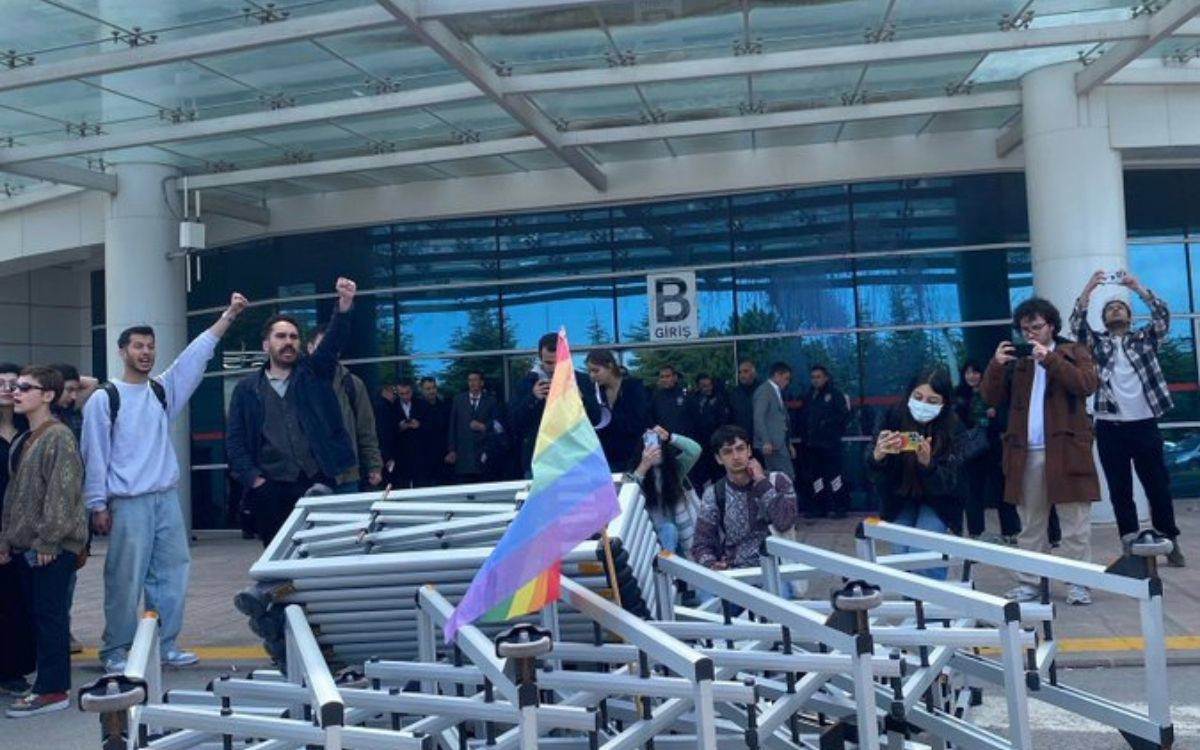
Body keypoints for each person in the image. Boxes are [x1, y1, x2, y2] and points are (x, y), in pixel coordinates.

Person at [82, 293, 250, 672]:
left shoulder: (161, 391)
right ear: (122, 351)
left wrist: (229, 316)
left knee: (172, 575)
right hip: (128, 502)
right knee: (124, 579)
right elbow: (95, 455)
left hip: (165, 499)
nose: (146, 352)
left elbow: (194, 357)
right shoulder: (104, 399)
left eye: (150, 347)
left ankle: (165, 644)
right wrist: (97, 505)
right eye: (138, 346)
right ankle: (116, 650)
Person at [982, 297, 1100, 606]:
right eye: (1025, 329)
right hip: (1026, 453)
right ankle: (1030, 582)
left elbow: (1086, 384)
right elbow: (990, 397)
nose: (1030, 334)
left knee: (1075, 524)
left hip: (1067, 450)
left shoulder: (1073, 351)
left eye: (1036, 327)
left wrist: (1050, 359)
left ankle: (1078, 583)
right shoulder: (1018, 361)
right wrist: (996, 365)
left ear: (1051, 325)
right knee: (1031, 525)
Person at [227, 280, 357, 546]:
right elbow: (235, 441)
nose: (288, 342)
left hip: (315, 481)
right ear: (266, 345)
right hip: (271, 489)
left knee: (321, 552)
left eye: (294, 337)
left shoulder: (314, 373)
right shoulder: (247, 389)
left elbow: (332, 342)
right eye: (281, 336)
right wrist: (255, 480)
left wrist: (344, 305)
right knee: (278, 557)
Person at [1072, 270, 1184, 566]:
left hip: (1145, 424)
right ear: (1104, 319)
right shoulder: (1097, 344)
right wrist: (1089, 289)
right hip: (1110, 427)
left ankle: (1169, 540)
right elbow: (1077, 326)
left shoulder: (1145, 339)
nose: (1115, 310)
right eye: (1110, 308)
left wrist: (1137, 288)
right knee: (1120, 490)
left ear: (1130, 317)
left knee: (1157, 486)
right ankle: (1130, 545)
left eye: (1120, 307)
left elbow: (1162, 316)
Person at [0, 366, 86, 717]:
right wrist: (6, 539)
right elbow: (13, 496)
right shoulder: (25, 438)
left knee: (50, 617)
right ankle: (46, 685)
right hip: (26, 546)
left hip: (51, 548)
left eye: (25, 387)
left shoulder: (59, 436)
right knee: (39, 616)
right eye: (16, 387)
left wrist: (49, 542)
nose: (16, 392)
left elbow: (63, 493)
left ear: (47, 395)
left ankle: (53, 690)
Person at [869, 367, 965, 580]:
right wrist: (877, 457)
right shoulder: (891, 417)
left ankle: (932, 601)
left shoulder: (954, 427)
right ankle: (911, 600)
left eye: (932, 401)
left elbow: (952, 482)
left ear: (944, 402)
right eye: (918, 397)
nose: (923, 405)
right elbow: (873, 472)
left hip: (938, 501)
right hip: (900, 497)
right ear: (909, 394)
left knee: (923, 554)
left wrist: (928, 465)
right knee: (900, 555)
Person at [692, 425, 798, 572]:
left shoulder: (778, 481)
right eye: (728, 452)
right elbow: (701, 542)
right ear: (718, 459)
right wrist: (711, 564)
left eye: (740, 449)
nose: (736, 456)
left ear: (749, 451)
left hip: (779, 569)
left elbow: (785, 522)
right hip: (736, 571)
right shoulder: (714, 493)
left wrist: (761, 481)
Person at [509, 333, 601, 477]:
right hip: (539, 460)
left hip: (575, 458)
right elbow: (514, 423)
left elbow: (596, 419)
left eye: (559, 362)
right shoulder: (526, 383)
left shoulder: (582, 381)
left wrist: (580, 398)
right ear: (540, 359)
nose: (554, 368)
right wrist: (533, 398)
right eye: (549, 363)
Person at [305, 328, 382, 494]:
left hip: (346, 476)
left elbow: (366, 429)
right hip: (307, 477)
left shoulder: (353, 384)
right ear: (310, 348)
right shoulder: (296, 383)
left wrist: (374, 465)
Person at [954, 360, 1020, 544]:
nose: (971, 376)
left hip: (994, 448)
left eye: (975, 372)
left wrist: (994, 415)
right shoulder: (959, 395)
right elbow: (957, 423)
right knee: (973, 492)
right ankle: (976, 532)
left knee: (1002, 490)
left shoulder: (993, 392)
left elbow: (1005, 418)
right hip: (971, 451)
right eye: (968, 373)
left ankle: (1011, 531)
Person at [0, 362, 35, 698]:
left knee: (18, 602)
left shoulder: (30, 430)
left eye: (15, 383)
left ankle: (13, 671)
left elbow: (84, 386)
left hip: (25, 529)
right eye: (1, 383)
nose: (8, 388)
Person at [625, 426, 702, 560]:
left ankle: (672, 565)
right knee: (668, 530)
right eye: (649, 445)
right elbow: (628, 496)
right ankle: (668, 567)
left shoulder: (674, 470)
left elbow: (695, 450)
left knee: (671, 530)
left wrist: (670, 437)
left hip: (682, 532)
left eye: (658, 444)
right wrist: (644, 465)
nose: (655, 449)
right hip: (653, 536)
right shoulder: (635, 474)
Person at [798, 365, 851, 519]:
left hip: (830, 445)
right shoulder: (809, 396)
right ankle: (819, 507)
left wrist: (828, 427)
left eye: (818, 377)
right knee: (816, 478)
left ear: (826, 377)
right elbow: (804, 418)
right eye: (813, 377)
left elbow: (844, 417)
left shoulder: (835, 394)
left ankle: (839, 507)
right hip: (813, 446)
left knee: (835, 477)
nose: (815, 380)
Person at [585, 350, 650, 472]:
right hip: (608, 458)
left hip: (634, 456)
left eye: (596, 370)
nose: (592, 376)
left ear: (610, 366)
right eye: (589, 372)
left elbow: (638, 422)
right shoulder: (597, 393)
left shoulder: (633, 387)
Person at [446, 370, 503, 483]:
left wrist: (485, 427)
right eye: (470, 380)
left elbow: (499, 424)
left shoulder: (491, 400)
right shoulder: (459, 400)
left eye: (475, 380)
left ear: (481, 383)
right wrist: (452, 450)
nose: (472, 383)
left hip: (484, 453)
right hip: (464, 455)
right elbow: (452, 426)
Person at [753, 362, 796, 479]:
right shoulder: (765, 391)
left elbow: (781, 420)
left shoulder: (775, 391)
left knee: (782, 476)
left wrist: (788, 443)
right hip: (772, 444)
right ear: (777, 375)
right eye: (786, 378)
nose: (787, 382)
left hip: (779, 443)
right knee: (785, 476)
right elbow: (758, 417)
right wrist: (766, 441)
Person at [689, 374, 730, 488]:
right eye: (704, 386)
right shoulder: (693, 400)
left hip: (716, 442)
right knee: (701, 476)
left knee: (719, 473)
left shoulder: (719, 398)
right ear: (698, 386)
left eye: (709, 385)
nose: (708, 388)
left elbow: (724, 420)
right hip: (700, 443)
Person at [385, 381, 425, 489]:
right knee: (402, 484)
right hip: (400, 452)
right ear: (397, 393)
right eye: (402, 394)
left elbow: (430, 425)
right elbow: (388, 430)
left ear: (411, 391)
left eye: (407, 393)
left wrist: (419, 425)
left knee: (421, 484)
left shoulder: (421, 404)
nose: (405, 396)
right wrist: (400, 427)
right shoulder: (392, 407)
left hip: (419, 452)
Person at [46, 364, 98, 444]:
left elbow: (93, 382)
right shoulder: (39, 410)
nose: (74, 396)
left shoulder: (70, 408)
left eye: (76, 390)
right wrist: (53, 378)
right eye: (69, 390)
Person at [417, 376, 451, 486]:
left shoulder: (445, 407)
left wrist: (451, 451)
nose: (432, 391)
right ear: (421, 390)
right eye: (428, 389)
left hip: (443, 458)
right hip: (423, 460)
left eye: (433, 388)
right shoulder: (416, 408)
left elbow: (450, 431)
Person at [651, 365, 695, 441]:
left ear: (675, 377)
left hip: (684, 440)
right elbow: (652, 419)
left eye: (667, 376)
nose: (664, 379)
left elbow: (695, 418)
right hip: (664, 440)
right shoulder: (656, 397)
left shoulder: (686, 394)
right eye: (662, 377)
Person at [728, 360, 759, 443]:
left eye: (745, 371)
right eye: (740, 372)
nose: (742, 375)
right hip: (742, 438)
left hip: (762, 439)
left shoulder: (763, 391)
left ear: (754, 373)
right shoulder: (734, 393)